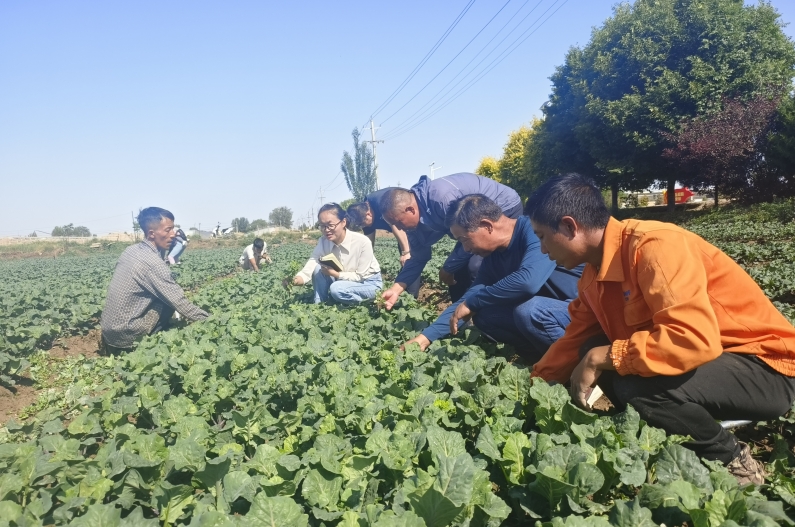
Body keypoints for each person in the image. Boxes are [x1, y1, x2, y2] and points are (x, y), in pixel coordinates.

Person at [527, 173, 795, 485]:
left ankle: (732, 461)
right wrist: (534, 391)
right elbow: (573, 341)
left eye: (542, 236)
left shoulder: (655, 247)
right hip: (712, 363)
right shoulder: (592, 275)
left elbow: (692, 340)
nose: (542, 249)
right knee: (590, 348)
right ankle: (659, 423)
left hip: (765, 367)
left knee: (635, 383)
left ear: (570, 226)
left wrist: (604, 357)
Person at [402, 195, 583, 360]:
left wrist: (474, 301)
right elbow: (469, 298)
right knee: (486, 316)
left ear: (486, 225)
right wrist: (425, 338)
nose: (465, 249)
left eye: (464, 239)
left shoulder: (533, 231)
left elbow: (528, 281)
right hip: (549, 313)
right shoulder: (493, 256)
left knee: (529, 311)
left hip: (584, 312)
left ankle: (577, 365)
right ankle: (536, 359)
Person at [380, 172, 523, 308]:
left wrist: (448, 267)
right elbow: (418, 258)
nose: (398, 229)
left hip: (502, 207)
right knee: (458, 272)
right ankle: (459, 322)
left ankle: (492, 315)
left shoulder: (443, 200)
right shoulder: (411, 227)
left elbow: (473, 235)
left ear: (411, 210)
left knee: (476, 267)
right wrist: (396, 288)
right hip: (470, 227)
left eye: (398, 222)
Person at [101, 207, 209, 354]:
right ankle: (147, 347)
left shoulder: (131, 250)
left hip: (109, 330)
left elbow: (155, 263)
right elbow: (179, 302)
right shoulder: (153, 264)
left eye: (173, 230)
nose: (173, 235)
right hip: (126, 334)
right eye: (168, 230)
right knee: (167, 302)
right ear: (152, 234)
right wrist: (211, 321)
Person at [289, 203, 383, 305]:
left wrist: (336, 274)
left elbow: (360, 276)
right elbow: (312, 264)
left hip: (368, 283)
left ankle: (371, 303)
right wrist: (294, 281)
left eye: (330, 225)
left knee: (337, 289)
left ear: (343, 222)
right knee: (318, 269)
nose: (326, 230)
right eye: (322, 226)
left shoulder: (362, 242)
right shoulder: (323, 241)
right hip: (344, 280)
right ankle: (319, 305)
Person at [346, 188, 420, 297]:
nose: (364, 226)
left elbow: (396, 226)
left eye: (363, 224)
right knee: (407, 262)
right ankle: (404, 288)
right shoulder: (363, 216)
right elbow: (368, 244)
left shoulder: (381, 201)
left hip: (412, 221)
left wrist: (406, 252)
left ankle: (412, 297)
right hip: (403, 229)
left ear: (368, 214)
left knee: (411, 259)